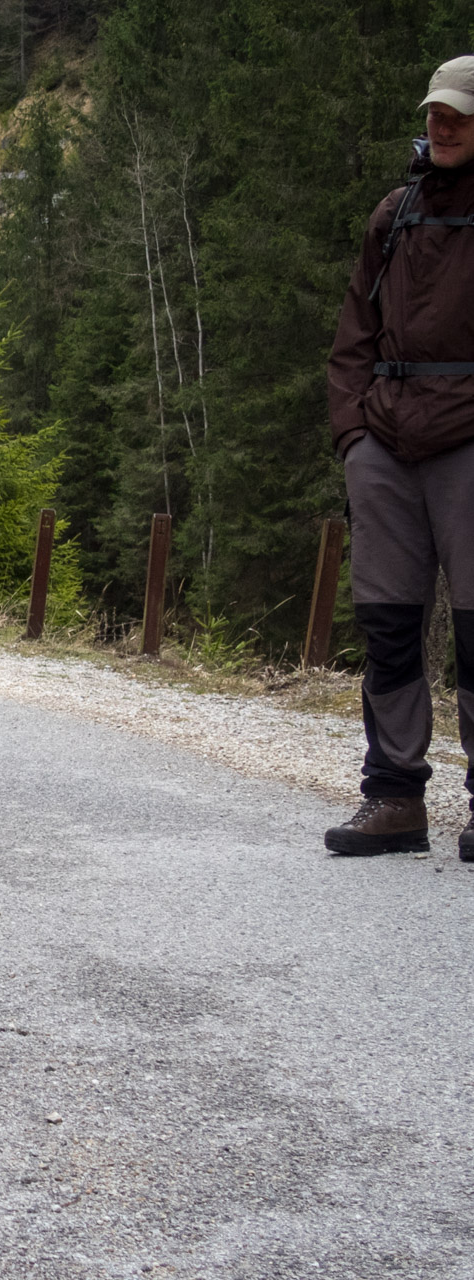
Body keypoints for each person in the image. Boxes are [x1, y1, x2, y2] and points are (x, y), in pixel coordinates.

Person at [325, 55, 474, 859]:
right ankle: (393, 799)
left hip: (468, 446)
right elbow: (353, 336)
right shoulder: (396, 214)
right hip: (385, 445)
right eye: (434, 112)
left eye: (458, 114)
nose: (441, 124)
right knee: (388, 627)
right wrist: (354, 437)